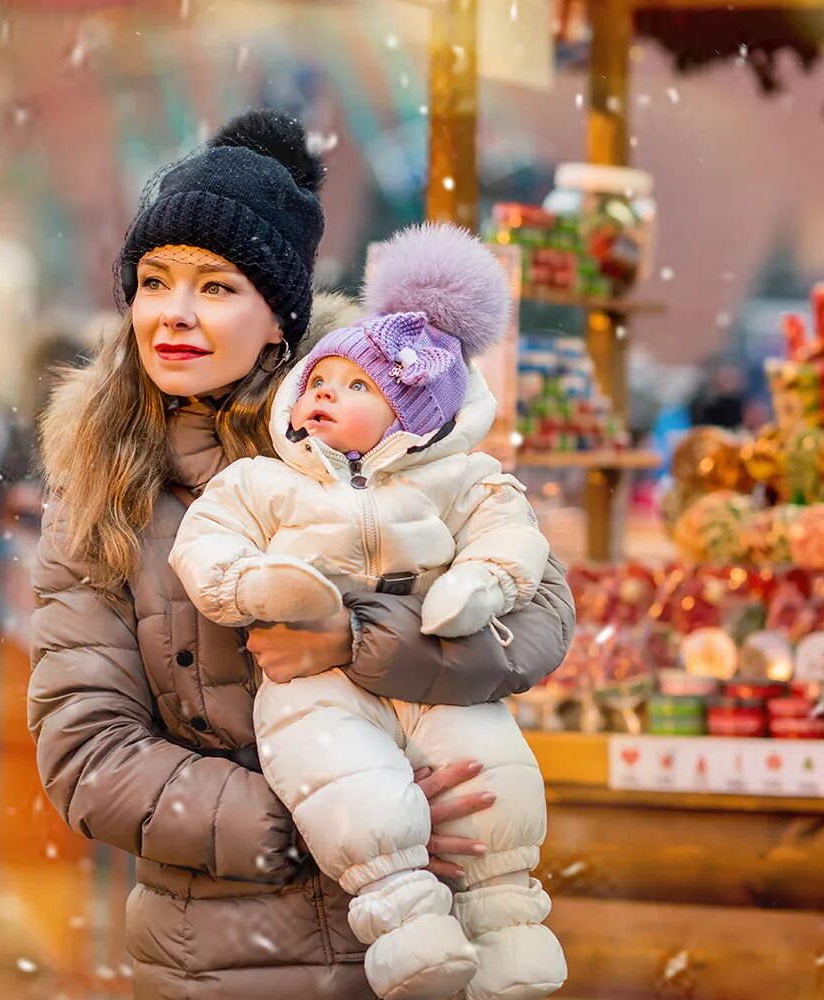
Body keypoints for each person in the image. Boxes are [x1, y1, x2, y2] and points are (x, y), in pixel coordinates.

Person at [26, 108, 576, 1000]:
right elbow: (89, 753)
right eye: (154, 282)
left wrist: (354, 641)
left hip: (420, 953)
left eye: (214, 287)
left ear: (280, 321)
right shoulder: (100, 498)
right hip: (225, 957)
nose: (173, 314)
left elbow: (538, 616)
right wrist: (340, 822)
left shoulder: (379, 438)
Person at [169, 223, 565, 1000]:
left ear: (413, 419)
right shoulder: (268, 481)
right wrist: (251, 585)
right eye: (321, 383)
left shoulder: (458, 478)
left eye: (358, 388)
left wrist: (478, 582)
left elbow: (512, 541)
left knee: (493, 771)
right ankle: (406, 923)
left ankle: (511, 928)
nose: (325, 395)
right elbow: (207, 543)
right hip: (313, 695)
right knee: (348, 782)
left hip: (438, 671)